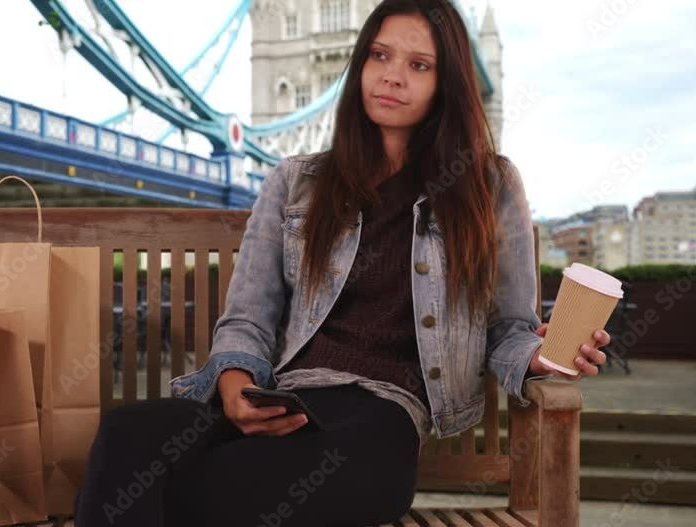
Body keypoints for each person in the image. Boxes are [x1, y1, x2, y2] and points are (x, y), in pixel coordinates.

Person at [75, 0, 611, 525]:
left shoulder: (490, 186)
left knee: (298, 474)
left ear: (445, 85)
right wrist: (235, 386)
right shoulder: (296, 179)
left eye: (418, 65)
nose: (392, 76)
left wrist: (542, 356)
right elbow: (248, 316)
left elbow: (509, 328)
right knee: (129, 436)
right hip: (283, 395)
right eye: (380, 56)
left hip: (381, 414)